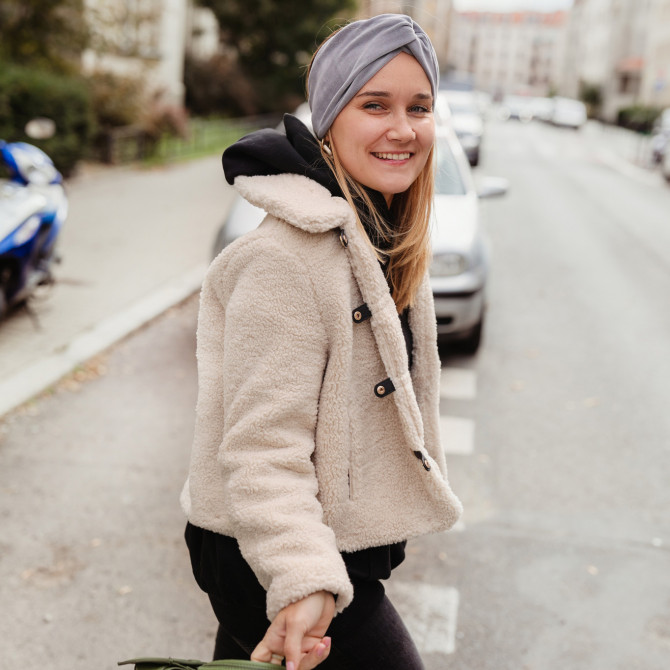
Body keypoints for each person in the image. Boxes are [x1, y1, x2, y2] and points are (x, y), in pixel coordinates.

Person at [181, 13, 463, 670]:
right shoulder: (285, 260)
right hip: (276, 552)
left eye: (419, 106)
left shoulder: (379, 241)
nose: (404, 127)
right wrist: (304, 578)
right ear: (330, 118)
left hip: (325, 544)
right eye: (375, 104)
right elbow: (261, 448)